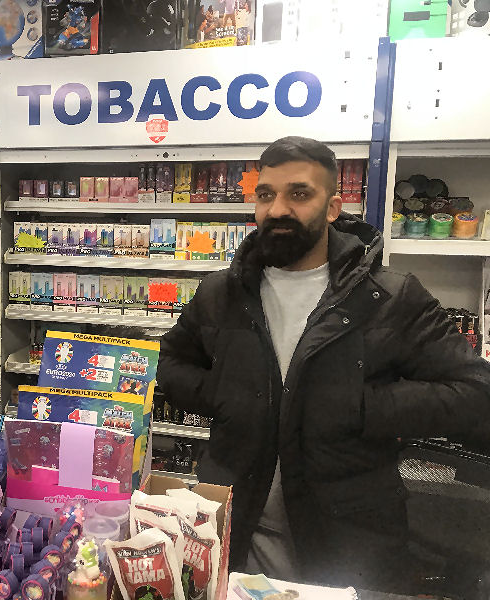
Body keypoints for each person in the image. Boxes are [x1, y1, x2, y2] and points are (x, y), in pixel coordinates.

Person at [156, 136, 490, 593]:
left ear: (333, 207)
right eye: (265, 194)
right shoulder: (222, 293)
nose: (276, 210)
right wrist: (225, 396)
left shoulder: (389, 297)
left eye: (299, 194)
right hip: (234, 532)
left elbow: (474, 392)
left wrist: (361, 406)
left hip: (348, 542)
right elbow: (171, 362)